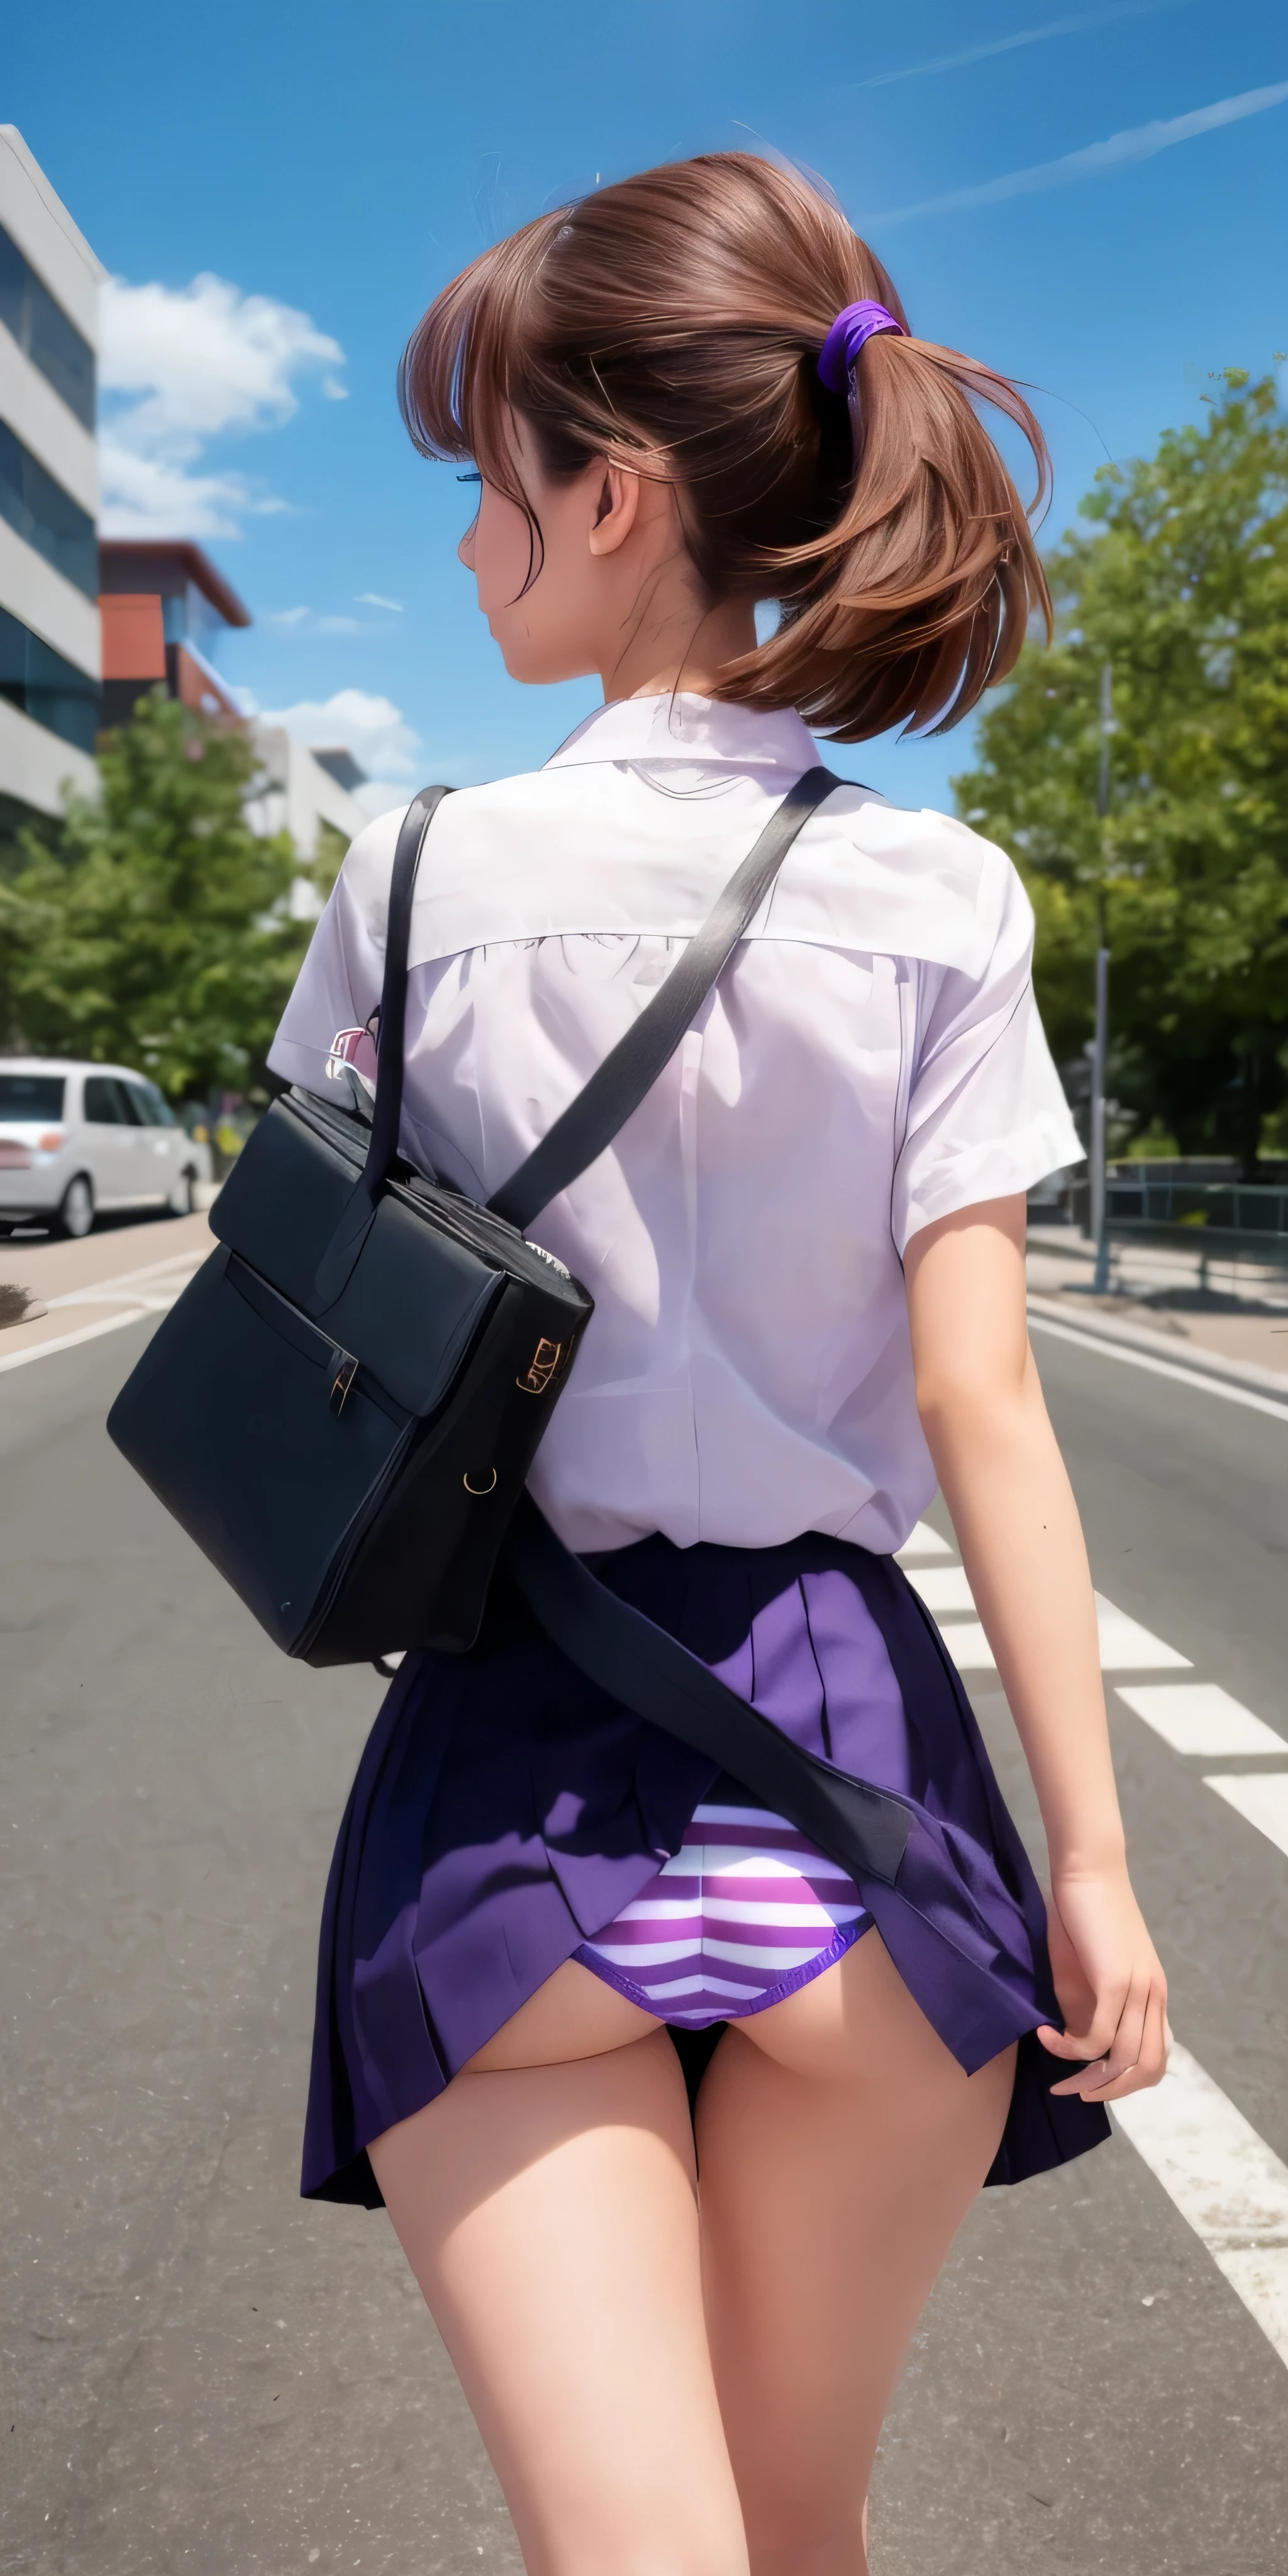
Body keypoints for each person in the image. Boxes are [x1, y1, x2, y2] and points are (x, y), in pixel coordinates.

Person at [268, 153, 1168, 2576]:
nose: (472, 546)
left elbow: (310, 1314)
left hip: (506, 1757)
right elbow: (988, 1406)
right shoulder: (943, 899)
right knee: (804, 2534)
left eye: (492, 482)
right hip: (849, 1778)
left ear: (616, 491)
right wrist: (1091, 1863)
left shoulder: (416, 884)